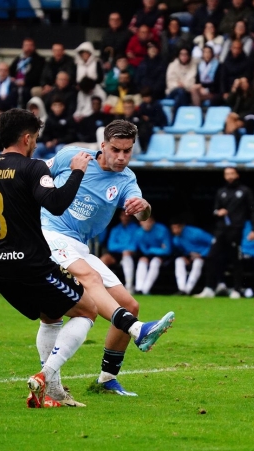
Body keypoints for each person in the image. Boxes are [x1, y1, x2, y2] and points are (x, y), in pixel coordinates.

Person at [0, 108, 97, 408]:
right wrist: (77, 171)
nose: (36, 143)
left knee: (51, 317)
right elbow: (57, 204)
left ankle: (55, 393)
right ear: (26, 138)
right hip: (33, 266)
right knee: (88, 310)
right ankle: (46, 376)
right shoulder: (32, 168)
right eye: (35, 138)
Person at [40, 120, 176, 397]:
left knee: (130, 303)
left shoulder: (127, 180)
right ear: (102, 146)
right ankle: (137, 330)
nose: (122, 157)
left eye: (128, 151)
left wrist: (145, 208)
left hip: (78, 245)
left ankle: (106, 379)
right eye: (116, 149)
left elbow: (141, 214)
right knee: (77, 293)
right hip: (49, 233)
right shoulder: (73, 156)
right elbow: (37, 173)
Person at [195, 167, 254, 299]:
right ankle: (209, 288)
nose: (229, 176)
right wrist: (219, 212)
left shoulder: (245, 191)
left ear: (237, 174)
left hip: (236, 229)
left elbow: (253, 211)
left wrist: (253, 229)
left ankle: (236, 289)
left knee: (236, 259)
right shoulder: (221, 191)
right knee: (212, 256)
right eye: (227, 174)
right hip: (221, 229)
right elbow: (214, 210)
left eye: (231, 173)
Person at [170, 218, 212, 295]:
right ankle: (181, 288)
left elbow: (213, 242)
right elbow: (180, 250)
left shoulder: (195, 233)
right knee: (179, 261)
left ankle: (188, 290)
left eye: (177, 227)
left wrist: (202, 254)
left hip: (204, 257)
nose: (175, 230)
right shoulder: (176, 239)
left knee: (197, 263)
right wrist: (184, 256)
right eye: (173, 228)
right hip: (190, 257)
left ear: (182, 226)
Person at [100, 212, 138, 292]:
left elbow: (134, 246)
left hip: (132, 254)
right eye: (123, 216)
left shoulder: (136, 228)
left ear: (130, 217)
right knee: (103, 259)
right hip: (117, 254)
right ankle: (102, 285)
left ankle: (129, 286)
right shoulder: (115, 229)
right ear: (120, 217)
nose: (125, 218)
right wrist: (125, 247)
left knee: (126, 255)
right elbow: (111, 246)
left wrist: (124, 248)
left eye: (127, 216)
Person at [134, 216, 171, 295]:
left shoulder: (162, 230)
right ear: (140, 223)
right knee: (142, 261)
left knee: (155, 262)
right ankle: (139, 288)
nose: (147, 224)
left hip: (163, 257)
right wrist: (158, 249)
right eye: (144, 222)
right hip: (148, 255)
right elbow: (144, 250)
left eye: (149, 221)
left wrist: (151, 249)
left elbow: (167, 251)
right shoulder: (138, 233)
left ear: (153, 222)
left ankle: (145, 290)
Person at [9, 38, 45, 108]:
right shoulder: (19, 59)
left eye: (30, 45)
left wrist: (25, 81)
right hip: (16, 84)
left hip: (30, 85)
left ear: (34, 47)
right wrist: (12, 78)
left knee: (25, 92)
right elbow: (11, 71)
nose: (28, 48)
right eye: (26, 45)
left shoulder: (39, 60)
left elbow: (37, 75)